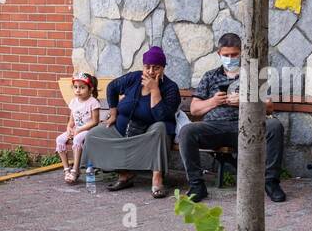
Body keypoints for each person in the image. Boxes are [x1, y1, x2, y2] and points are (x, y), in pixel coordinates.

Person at [179, 33, 287, 204]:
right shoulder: (210, 76)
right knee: (187, 131)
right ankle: (196, 185)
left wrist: (245, 101)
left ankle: (271, 183)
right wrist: (213, 101)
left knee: (274, 126)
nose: (230, 59)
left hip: (246, 126)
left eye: (234, 55)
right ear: (219, 54)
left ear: (242, 53)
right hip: (215, 128)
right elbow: (194, 108)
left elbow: (269, 106)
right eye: (226, 55)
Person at [82, 48, 181, 198]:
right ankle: (124, 174)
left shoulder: (170, 88)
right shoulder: (134, 78)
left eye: (156, 67)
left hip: (149, 133)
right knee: (93, 135)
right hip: (123, 128)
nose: (151, 71)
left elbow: (161, 116)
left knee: (161, 128)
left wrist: (154, 90)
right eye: (147, 67)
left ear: (163, 68)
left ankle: (157, 178)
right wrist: (114, 112)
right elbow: (112, 87)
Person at [56, 73, 101, 185]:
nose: (78, 90)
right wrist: (69, 129)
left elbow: (95, 122)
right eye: (76, 87)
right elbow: (71, 121)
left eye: (82, 87)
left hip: (88, 130)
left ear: (90, 89)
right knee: (59, 140)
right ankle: (66, 169)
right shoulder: (74, 101)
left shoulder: (93, 102)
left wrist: (79, 131)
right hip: (76, 130)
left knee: (77, 140)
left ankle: (76, 170)